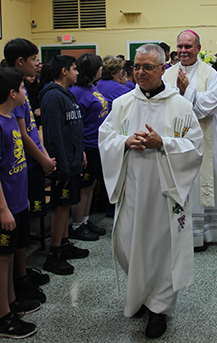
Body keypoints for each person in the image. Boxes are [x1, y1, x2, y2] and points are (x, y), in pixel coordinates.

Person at [98, 44, 203, 338]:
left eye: (147, 67)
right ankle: (143, 293)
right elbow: (105, 138)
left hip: (164, 192)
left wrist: (164, 144)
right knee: (129, 244)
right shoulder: (122, 104)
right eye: (136, 67)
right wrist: (124, 142)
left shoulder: (180, 105)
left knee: (161, 249)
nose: (140, 72)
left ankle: (159, 309)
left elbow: (196, 148)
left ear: (161, 70)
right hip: (131, 188)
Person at [163, 30, 217, 250]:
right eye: (180, 46)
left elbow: (213, 105)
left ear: (198, 48)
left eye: (188, 46)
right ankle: (177, 233)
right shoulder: (167, 74)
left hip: (203, 140)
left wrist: (186, 91)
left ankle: (201, 235)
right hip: (174, 142)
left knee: (199, 185)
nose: (183, 51)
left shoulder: (210, 74)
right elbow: (162, 104)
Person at [4, 38, 55, 303]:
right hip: (17, 170)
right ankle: (15, 284)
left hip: (25, 170)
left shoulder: (22, 88)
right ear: (20, 62)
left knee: (22, 229)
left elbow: (31, 132)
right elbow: (22, 135)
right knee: (14, 235)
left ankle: (21, 276)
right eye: (34, 59)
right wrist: (44, 160)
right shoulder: (10, 88)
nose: (38, 64)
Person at [0, 67, 39, 339]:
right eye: (23, 89)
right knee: (1, 263)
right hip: (4, 208)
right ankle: (3, 318)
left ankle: (11, 303)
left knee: (10, 257)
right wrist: (3, 209)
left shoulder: (11, 117)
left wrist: (20, 199)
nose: (26, 92)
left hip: (16, 201)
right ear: (13, 93)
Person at [40, 55, 85, 275]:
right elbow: (55, 135)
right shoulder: (52, 98)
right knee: (61, 206)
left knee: (66, 205)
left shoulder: (67, 95)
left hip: (73, 159)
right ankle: (54, 254)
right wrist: (63, 166)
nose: (78, 73)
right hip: (63, 163)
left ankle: (64, 244)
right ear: (65, 71)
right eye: (75, 69)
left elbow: (74, 128)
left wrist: (81, 152)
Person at [69, 53, 109, 241]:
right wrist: (81, 149)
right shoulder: (76, 92)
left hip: (98, 143)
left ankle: (85, 220)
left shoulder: (92, 87)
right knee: (84, 186)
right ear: (92, 70)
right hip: (88, 145)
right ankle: (76, 225)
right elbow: (75, 124)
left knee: (91, 184)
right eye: (99, 66)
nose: (102, 69)